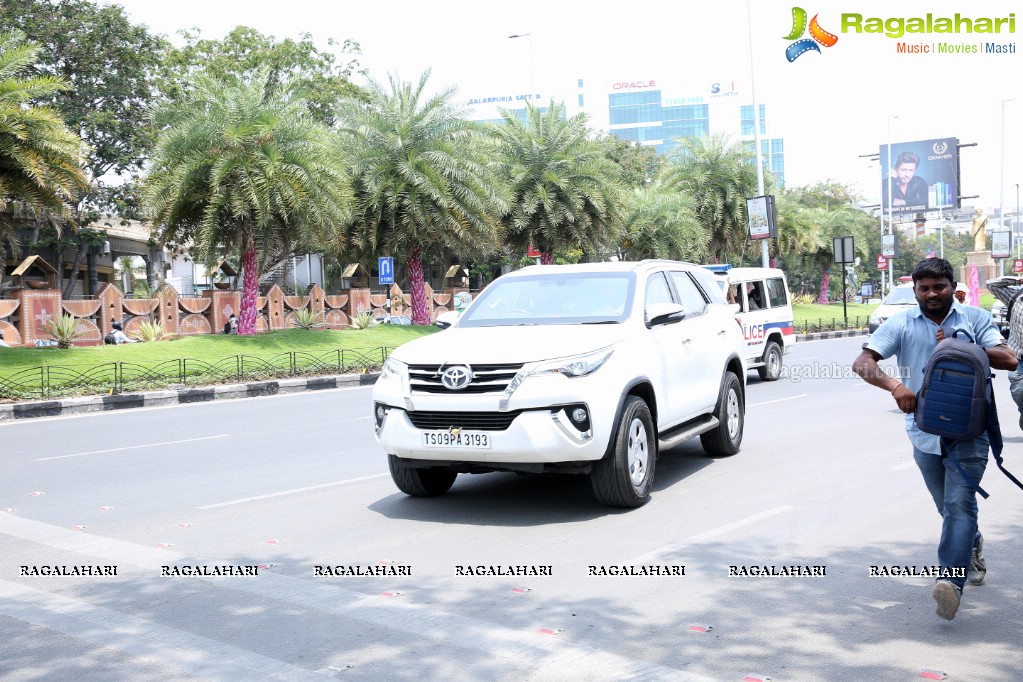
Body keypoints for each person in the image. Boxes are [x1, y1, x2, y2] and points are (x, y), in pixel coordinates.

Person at [852, 258, 1016, 621]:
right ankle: (971, 544)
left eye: (938, 286)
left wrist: (967, 346)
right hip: (924, 433)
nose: (931, 294)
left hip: (971, 431)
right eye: (924, 288)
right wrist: (894, 385)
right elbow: (863, 362)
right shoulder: (901, 323)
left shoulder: (972, 318)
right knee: (947, 508)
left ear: (951, 287)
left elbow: (1009, 359)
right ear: (915, 291)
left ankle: (950, 584)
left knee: (960, 505)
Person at [988, 277, 1023, 429]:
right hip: (1019, 356)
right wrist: (1018, 280)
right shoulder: (1015, 297)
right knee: (1019, 390)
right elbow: (992, 284)